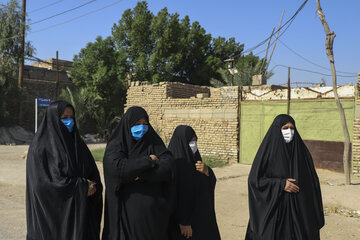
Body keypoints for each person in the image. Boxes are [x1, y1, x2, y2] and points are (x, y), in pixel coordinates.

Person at [26, 100, 103, 240]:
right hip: (52, 223)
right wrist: (81, 187)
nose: (69, 121)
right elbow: (42, 186)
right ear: (54, 120)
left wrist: (94, 186)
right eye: (64, 118)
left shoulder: (78, 145)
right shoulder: (40, 148)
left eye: (71, 117)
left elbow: (93, 172)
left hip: (81, 220)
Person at [245, 114, 324, 240]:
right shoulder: (267, 151)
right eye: (285, 128)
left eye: (292, 128)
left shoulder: (302, 153)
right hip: (275, 213)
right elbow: (254, 180)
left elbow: (312, 182)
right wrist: (280, 184)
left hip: (299, 214)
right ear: (277, 129)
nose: (289, 131)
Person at [102, 106, 175, 240]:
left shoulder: (152, 142)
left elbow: (168, 165)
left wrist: (142, 175)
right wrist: (149, 161)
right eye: (136, 124)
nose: (141, 128)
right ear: (127, 124)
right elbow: (118, 169)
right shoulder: (117, 145)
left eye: (145, 124)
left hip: (154, 217)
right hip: (127, 215)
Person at [168, 125, 221, 240]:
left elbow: (207, 185)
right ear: (181, 142)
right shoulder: (173, 164)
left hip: (200, 220)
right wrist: (184, 221)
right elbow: (175, 195)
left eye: (195, 141)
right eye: (190, 141)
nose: (194, 144)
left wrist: (208, 172)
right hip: (183, 225)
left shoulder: (196, 161)